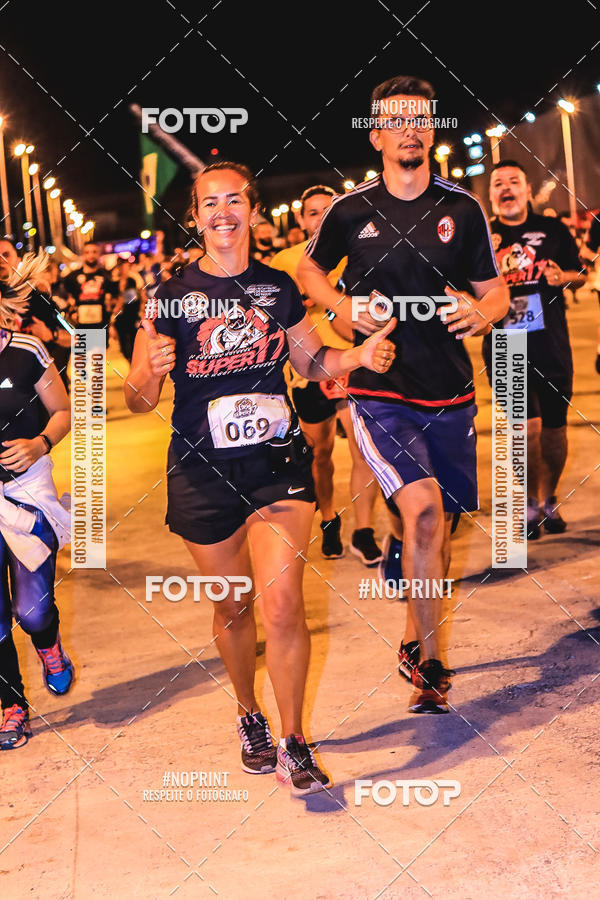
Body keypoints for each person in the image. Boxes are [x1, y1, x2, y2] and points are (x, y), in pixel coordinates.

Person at [125, 161, 395, 793]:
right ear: (195, 217)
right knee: (233, 605)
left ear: (252, 210)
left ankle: (293, 740)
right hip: (202, 470)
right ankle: (249, 712)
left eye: (234, 200)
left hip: (277, 464)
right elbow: (138, 400)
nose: (223, 212)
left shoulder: (277, 287)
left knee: (282, 602)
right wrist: (148, 371)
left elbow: (310, 361)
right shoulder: (168, 297)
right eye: (209, 203)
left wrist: (355, 355)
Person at [298, 75, 509, 714]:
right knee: (422, 511)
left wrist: (482, 313)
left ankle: (415, 635)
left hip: (449, 393)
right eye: (396, 119)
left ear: (432, 129)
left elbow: (495, 291)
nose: (409, 129)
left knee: (438, 525)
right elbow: (308, 268)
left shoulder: (462, 209)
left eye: (420, 118)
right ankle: (433, 665)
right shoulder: (350, 210)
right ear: (376, 135)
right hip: (378, 389)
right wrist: (343, 308)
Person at [271, 185, 383, 565]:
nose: (320, 218)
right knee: (320, 453)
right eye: (312, 212)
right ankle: (329, 518)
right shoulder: (285, 261)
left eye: (327, 209)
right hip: (308, 370)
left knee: (362, 448)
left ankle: (364, 531)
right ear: (301, 219)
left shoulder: (356, 251)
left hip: (352, 361)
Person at [485, 160, 585, 538]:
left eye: (514, 181)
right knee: (525, 429)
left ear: (528, 190)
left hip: (550, 342)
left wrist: (562, 277)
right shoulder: (482, 235)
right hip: (506, 345)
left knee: (554, 430)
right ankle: (528, 504)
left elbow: (580, 273)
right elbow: (461, 286)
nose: (506, 188)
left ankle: (549, 498)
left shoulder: (553, 229)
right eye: (498, 183)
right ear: (490, 195)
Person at [0, 252, 73, 750]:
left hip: (27, 492)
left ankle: (49, 644)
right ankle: (12, 705)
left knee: (32, 612)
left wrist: (39, 444)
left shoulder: (26, 350)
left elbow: (63, 410)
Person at [62, 241, 112, 328]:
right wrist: (71, 313)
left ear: (99, 254)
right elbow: (68, 298)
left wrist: (112, 323)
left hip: (102, 325)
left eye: (94, 252)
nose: (91, 255)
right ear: (83, 254)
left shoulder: (106, 275)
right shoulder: (72, 277)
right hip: (81, 325)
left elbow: (113, 298)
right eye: (87, 252)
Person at [109, 257, 145, 362]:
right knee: (124, 343)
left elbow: (137, 297)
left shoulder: (132, 280)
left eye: (126, 266)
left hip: (132, 315)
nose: (124, 269)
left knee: (134, 341)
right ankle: (129, 361)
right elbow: (111, 301)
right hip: (120, 318)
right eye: (122, 266)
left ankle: (134, 362)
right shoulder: (114, 283)